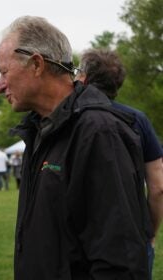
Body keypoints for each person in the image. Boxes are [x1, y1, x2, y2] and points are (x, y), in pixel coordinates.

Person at [0, 16, 151, 279]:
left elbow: (120, 258)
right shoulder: (39, 130)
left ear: (36, 64)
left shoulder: (99, 132)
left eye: (3, 72)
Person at [76, 48, 163, 280]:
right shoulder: (138, 120)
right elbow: (158, 187)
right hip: (132, 239)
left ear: (83, 77)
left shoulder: (72, 119)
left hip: (80, 240)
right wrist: (150, 232)